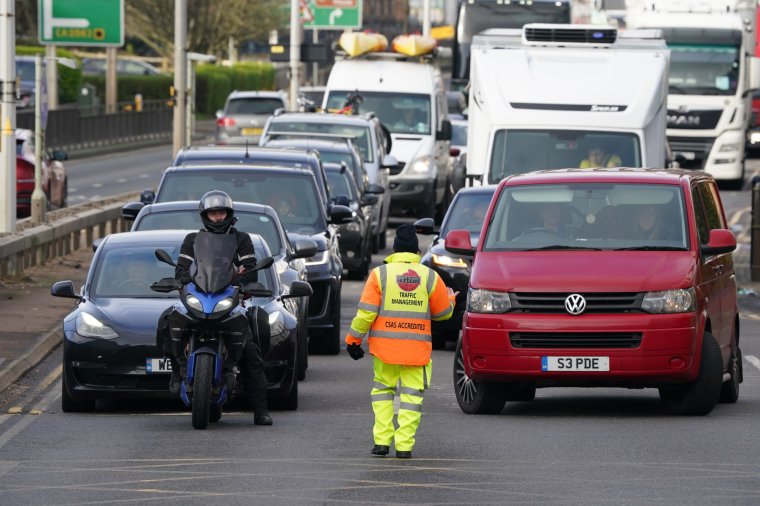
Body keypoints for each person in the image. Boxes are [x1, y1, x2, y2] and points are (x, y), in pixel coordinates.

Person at [345, 223, 457, 459]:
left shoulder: (379, 275)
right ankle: (404, 446)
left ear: (394, 250)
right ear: (416, 252)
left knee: (383, 392)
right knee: (411, 398)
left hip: (385, 350)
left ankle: (382, 442)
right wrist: (451, 301)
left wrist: (353, 340)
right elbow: (442, 314)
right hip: (416, 352)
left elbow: (366, 313)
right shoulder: (430, 277)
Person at [163, 190, 273, 426]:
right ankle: (176, 368)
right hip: (200, 295)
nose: (218, 217)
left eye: (221, 212)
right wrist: (181, 280)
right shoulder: (192, 240)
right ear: (205, 216)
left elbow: (250, 268)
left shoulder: (242, 239)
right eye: (213, 213)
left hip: (230, 297)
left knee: (251, 352)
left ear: (229, 214)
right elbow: (182, 268)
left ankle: (261, 410)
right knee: (166, 320)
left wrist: (242, 282)